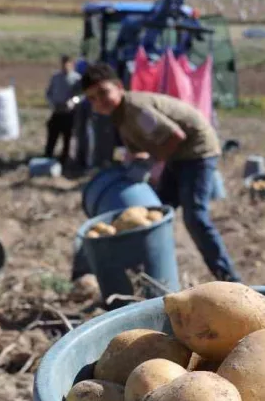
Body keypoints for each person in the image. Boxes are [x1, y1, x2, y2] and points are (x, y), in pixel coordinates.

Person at [80, 62, 241, 283]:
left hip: (197, 150)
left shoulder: (135, 108)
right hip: (178, 155)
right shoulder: (120, 117)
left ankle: (229, 279)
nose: (99, 101)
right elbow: (139, 148)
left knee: (195, 217)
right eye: (92, 98)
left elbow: (175, 136)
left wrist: (154, 163)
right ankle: (146, 272)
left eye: (103, 92)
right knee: (156, 210)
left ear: (118, 86)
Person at [45, 54, 82, 163]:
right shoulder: (55, 77)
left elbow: (80, 95)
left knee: (67, 137)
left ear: (71, 64)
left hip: (69, 113)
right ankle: (48, 156)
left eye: (67, 64)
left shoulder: (77, 78)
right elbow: (48, 93)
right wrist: (52, 103)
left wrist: (73, 102)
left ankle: (64, 159)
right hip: (57, 111)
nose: (65, 66)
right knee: (52, 135)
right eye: (63, 64)